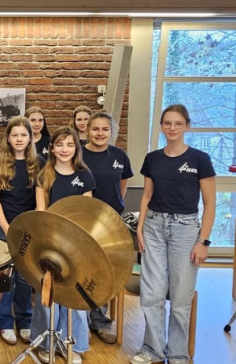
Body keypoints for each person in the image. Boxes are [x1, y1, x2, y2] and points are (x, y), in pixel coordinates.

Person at [131, 104, 216, 364]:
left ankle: (178, 354)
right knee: (152, 294)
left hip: (186, 229)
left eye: (178, 123)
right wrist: (140, 228)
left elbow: (210, 203)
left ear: (187, 126)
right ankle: (153, 349)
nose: (172, 128)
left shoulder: (200, 159)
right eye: (167, 123)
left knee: (180, 297)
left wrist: (203, 241)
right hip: (154, 227)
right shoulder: (152, 159)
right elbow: (146, 196)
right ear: (161, 126)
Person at [33, 126, 96, 364]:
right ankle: (46, 343)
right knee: (48, 294)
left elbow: (87, 212)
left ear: (76, 148)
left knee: (75, 295)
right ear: (51, 148)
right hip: (51, 242)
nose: (64, 149)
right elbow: (41, 210)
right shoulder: (44, 175)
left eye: (69, 145)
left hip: (76, 242)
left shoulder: (85, 175)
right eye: (59, 144)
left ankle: (73, 344)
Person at [0, 117, 42, 347]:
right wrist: (6, 227)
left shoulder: (39, 163)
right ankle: (5, 322)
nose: (19, 139)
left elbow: (41, 200)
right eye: (15, 135)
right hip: (5, 227)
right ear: (8, 138)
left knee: (25, 278)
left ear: (30, 138)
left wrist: (30, 228)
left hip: (28, 229)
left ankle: (25, 321)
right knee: (7, 277)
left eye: (23, 135)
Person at [81, 111, 133, 344]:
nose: (100, 133)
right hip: (83, 220)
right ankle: (79, 321)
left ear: (111, 132)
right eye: (95, 129)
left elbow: (122, 186)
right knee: (82, 270)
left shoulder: (120, 155)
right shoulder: (78, 154)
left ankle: (100, 322)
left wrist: (113, 209)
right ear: (87, 130)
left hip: (111, 223)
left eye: (105, 129)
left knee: (103, 272)